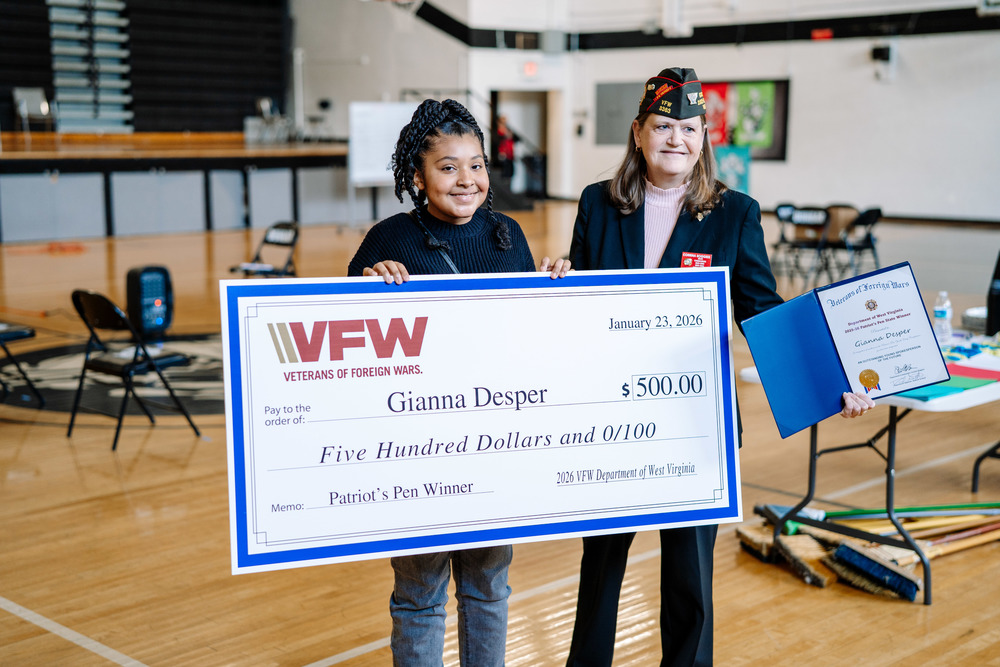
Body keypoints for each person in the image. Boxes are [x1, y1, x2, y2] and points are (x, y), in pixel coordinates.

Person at [564, 67, 875, 667]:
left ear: (704, 137)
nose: (675, 139)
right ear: (637, 132)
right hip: (610, 419)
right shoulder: (598, 205)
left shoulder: (735, 213)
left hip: (694, 424)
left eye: (688, 128)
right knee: (600, 564)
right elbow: (578, 303)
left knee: (688, 574)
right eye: (662, 126)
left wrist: (830, 378)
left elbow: (763, 311)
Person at [347, 98, 569, 666]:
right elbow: (345, 350)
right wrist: (369, 285)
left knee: (489, 587)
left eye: (475, 165)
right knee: (420, 595)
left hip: (497, 446)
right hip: (417, 455)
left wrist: (555, 289)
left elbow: (532, 337)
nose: (466, 179)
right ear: (418, 178)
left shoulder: (508, 235)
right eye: (448, 167)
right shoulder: (388, 241)